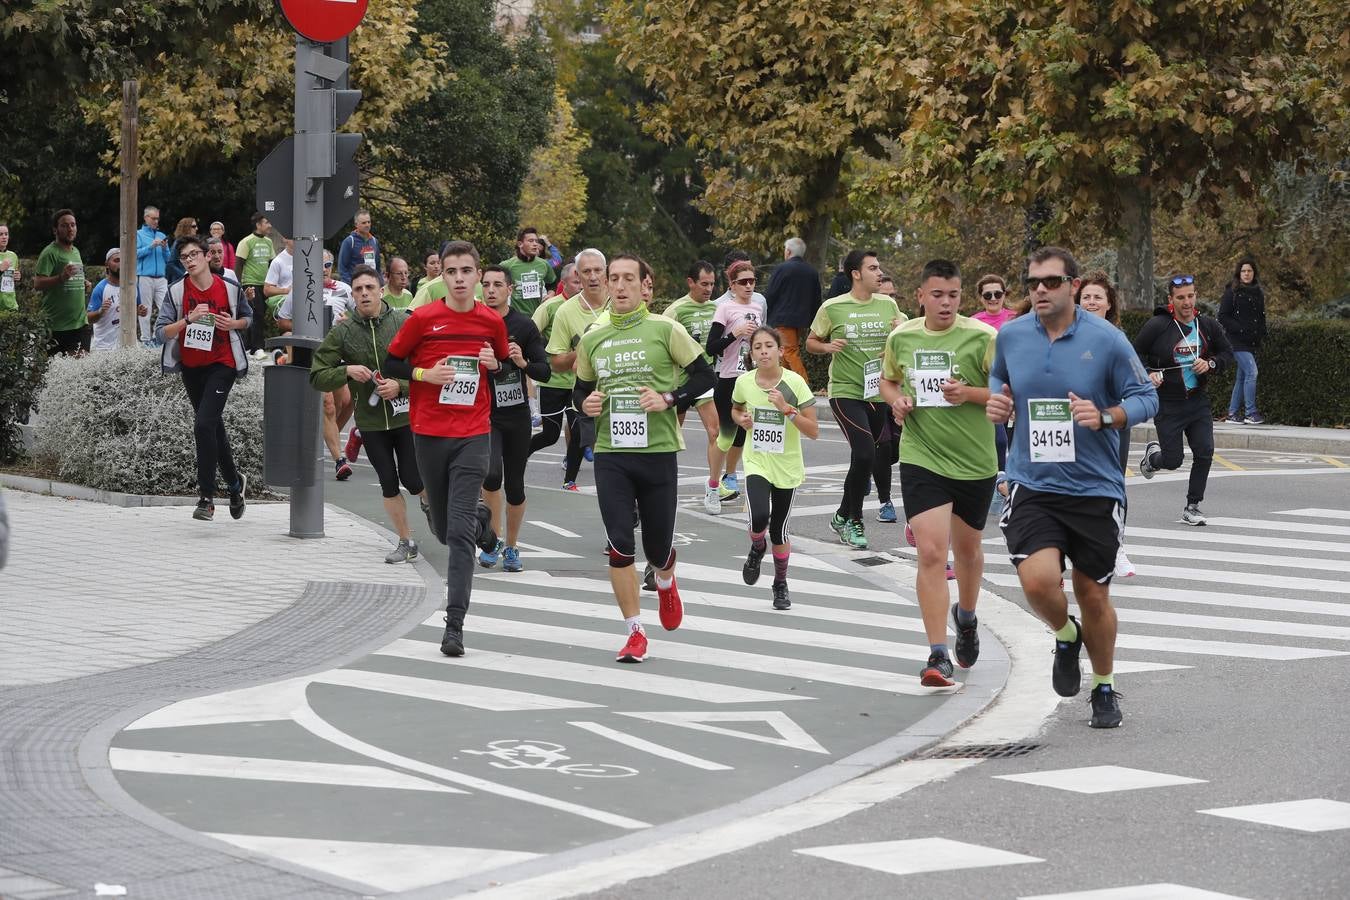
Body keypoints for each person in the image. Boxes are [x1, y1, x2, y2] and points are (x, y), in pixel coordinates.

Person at [987, 246, 1157, 728]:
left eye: (1051, 282)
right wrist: (999, 405)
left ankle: (1103, 686)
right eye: (1033, 282)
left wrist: (1107, 416)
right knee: (1038, 581)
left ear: (1073, 286)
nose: (1039, 289)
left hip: (1094, 488)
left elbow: (1146, 398)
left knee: (1092, 592)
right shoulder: (1013, 336)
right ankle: (1065, 635)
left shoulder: (1107, 340)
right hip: (1032, 481)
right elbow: (1001, 380)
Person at [573, 253, 715, 663]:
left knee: (656, 548)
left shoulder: (665, 330)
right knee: (619, 543)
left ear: (643, 286)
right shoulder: (593, 338)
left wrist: (668, 398)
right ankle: (634, 631)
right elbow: (579, 392)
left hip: (657, 452)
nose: (618, 286)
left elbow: (703, 376)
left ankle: (666, 580)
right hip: (612, 453)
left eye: (627, 279)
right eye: (613, 278)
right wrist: (588, 404)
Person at [383, 240, 505, 658]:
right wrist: (425, 374)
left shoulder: (491, 321)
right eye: (451, 272)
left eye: (466, 271)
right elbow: (393, 361)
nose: (458, 279)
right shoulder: (423, 318)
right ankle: (484, 525)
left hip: (473, 433)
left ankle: (454, 625)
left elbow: (501, 361)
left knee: (455, 536)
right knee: (441, 527)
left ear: (476, 275)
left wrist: (495, 366)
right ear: (442, 276)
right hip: (429, 433)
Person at [879, 259, 997, 687]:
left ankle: (966, 618)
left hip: (974, 461)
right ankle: (937, 654)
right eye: (937, 295)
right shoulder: (902, 336)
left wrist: (968, 393)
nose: (945, 303)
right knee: (931, 552)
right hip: (921, 457)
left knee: (968, 552)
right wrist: (897, 401)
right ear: (921, 296)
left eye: (953, 295)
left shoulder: (984, 337)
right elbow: (888, 382)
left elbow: (1008, 390)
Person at [311, 265, 426, 563]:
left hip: (406, 418)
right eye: (358, 290)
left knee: (414, 480)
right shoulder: (344, 332)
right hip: (372, 423)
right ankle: (406, 541)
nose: (363, 294)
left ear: (380, 290)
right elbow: (317, 375)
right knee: (388, 480)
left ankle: (429, 504)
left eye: (369, 288)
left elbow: (426, 367)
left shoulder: (402, 322)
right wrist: (345, 370)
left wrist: (400, 386)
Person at [806, 248, 905, 550]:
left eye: (879, 267)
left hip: (878, 391)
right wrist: (827, 348)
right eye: (873, 268)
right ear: (856, 274)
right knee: (864, 454)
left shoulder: (888, 305)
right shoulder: (833, 307)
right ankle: (854, 521)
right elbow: (810, 343)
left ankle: (839, 514)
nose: (879, 273)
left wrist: (897, 336)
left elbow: (905, 335)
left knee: (870, 456)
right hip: (846, 391)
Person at [154, 234, 251, 522]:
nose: (189, 260)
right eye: (184, 257)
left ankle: (206, 498)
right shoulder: (176, 291)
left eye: (194, 254)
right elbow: (160, 332)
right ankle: (235, 486)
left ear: (207, 256)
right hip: (192, 367)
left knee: (203, 424)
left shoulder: (229, 288)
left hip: (223, 365)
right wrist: (188, 320)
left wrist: (233, 323)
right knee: (212, 428)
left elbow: (249, 319)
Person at [730, 326, 819, 609]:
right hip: (757, 460)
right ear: (752, 353)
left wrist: (788, 410)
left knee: (779, 530)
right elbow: (735, 408)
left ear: (780, 351)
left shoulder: (795, 384)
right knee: (759, 516)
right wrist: (740, 418)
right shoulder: (744, 382)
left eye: (769, 346)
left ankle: (780, 583)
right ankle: (757, 546)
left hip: (787, 465)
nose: (764, 351)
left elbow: (814, 430)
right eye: (758, 347)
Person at [1135, 274, 1233, 526]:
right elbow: (1134, 354)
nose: (1187, 302)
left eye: (1191, 296)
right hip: (1168, 403)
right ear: (1171, 300)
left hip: (1197, 401)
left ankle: (1192, 506)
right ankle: (1153, 458)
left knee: (1205, 452)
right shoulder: (1158, 325)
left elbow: (1226, 354)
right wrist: (1149, 373)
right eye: (1181, 298)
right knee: (1173, 460)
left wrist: (1210, 363)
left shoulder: (1207, 326)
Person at [478, 265, 551, 572]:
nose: (491, 289)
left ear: (510, 289)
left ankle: (512, 547)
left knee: (516, 485)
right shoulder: (473, 322)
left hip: (517, 415)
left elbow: (544, 371)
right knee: (492, 475)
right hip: (486, 414)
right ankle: (492, 540)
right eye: (486, 284)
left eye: (498, 284)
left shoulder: (524, 325)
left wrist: (521, 361)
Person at [1076, 272, 1136, 577]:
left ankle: (1117, 548)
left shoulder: (1117, 340)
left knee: (1113, 482)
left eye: (1097, 297)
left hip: (1111, 422)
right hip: (1072, 422)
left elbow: (1136, 389)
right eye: (1086, 296)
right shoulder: (1065, 336)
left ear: (1109, 303)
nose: (1091, 302)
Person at [703, 260, 767, 511]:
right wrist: (735, 333)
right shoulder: (725, 309)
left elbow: (760, 345)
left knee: (749, 434)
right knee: (726, 436)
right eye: (743, 282)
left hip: (752, 377)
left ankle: (747, 488)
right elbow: (711, 348)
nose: (749, 286)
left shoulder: (758, 308)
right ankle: (712, 485)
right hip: (729, 378)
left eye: (752, 281)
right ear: (733, 285)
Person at [543, 248, 610, 481]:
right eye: (586, 271)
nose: (592, 276)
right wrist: (580, 351)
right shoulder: (565, 312)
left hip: (624, 393)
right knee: (588, 444)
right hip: (589, 394)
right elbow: (556, 363)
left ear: (606, 273)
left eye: (597, 270)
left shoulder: (622, 301)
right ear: (577, 277)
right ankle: (570, 479)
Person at [663, 261, 724, 512]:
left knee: (715, 432)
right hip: (679, 381)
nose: (709, 289)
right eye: (704, 284)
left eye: (712, 284)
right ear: (691, 282)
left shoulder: (716, 308)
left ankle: (712, 488)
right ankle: (661, 485)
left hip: (704, 379)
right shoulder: (675, 310)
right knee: (670, 438)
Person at [529, 274, 586, 491]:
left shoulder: (592, 309)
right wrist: (541, 354)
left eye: (581, 282)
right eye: (575, 281)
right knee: (550, 436)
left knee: (579, 432)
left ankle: (570, 480)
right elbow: (531, 331)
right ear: (563, 283)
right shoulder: (552, 307)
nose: (580, 285)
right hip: (553, 381)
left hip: (578, 384)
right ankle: (517, 456)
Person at [33, 209, 92, 356]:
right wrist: (60, 278)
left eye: (73, 225)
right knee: (56, 373)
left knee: (81, 368)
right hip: (56, 326)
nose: (70, 229)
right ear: (56, 230)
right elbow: (38, 283)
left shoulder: (76, 251)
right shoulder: (50, 253)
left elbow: (72, 276)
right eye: (65, 225)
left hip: (79, 323)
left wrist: (83, 282)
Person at [762, 237, 823, 381]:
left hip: (782, 318)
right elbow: (816, 298)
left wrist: (765, 314)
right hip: (802, 320)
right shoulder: (811, 272)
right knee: (785, 352)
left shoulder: (782, 269)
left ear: (788, 251)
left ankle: (803, 385)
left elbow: (771, 294)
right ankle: (786, 384)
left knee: (789, 351)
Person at [1218, 257, 1267, 424]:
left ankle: (1232, 413)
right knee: (1252, 372)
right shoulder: (1231, 291)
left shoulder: (1258, 292)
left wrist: (1261, 333)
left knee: (1242, 376)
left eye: (1249, 271)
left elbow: (1260, 317)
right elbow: (1222, 316)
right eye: (1243, 271)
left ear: (1254, 273)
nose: (1246, 274)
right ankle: (1250, 412)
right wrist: (1239, 328)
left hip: (1251, 341)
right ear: (1239, 273)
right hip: (1235, 341)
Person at [86, 248, 147, 351]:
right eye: (116, 260)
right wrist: (100, 312)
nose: (120, 264)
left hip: (129, 345)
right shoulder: (101, 288)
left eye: (123, 261)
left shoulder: (133, 286)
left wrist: (141, 311)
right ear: (107, 264)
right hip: (104, 348)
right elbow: (88, 318)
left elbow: (137, 309)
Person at [235, 213, 276, 357]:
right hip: (249, 283)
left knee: (261, 314)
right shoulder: (246, 242)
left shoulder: (269, 242)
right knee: (255, 314)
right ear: (258, 224)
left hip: (265, 284)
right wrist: (238, 285)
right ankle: (257, 347)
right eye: (267, 222)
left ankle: (248, 346)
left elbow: (272, 263)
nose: (270, 225)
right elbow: (239, 264)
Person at [499, 227, 558, 319]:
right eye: (531, 241)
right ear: (520, 244)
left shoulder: (544, 264)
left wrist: (551, 294)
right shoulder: (507, 265)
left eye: (536, 241)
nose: (535, 244)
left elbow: (552, 283)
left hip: (538, 316)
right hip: (515, 317)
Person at [136, 206, 171, 341]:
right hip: (145, 276)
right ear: (146, 218)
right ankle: (145, 338)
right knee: (145, 309)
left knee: (166, 308)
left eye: (157, 218)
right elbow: (135, 254)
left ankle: (157, 335)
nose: (156, 221)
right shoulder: (138, 234)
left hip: (161, 277)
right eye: (153, 218)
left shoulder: (161, 235)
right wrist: (150, 247)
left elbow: (168, 259)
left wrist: (164, 248)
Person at [337, 210, 382, 285]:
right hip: (355, 286)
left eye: (369, 222)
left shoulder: (374, 241)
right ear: (356, 224)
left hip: (371, 285)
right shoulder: (349, 242)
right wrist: (352, 285)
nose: (367, 225)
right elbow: (342, 268)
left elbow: (377, 267)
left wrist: (380, 284)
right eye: (364, 223)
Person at [263, 236, 295, 319]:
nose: (297, 239)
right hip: (286, 310)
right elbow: (267, 290)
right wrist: (287, 290)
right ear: (285, 239)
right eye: (293, 237)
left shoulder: (308, 257)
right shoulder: (278, 261)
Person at [164, 217, 199, 284]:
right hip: (180, 281)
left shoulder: (192, 242)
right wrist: (184, 275)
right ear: (186, 228)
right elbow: (170, 263)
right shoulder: (178, 242)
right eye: (194, 226)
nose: (196, 229)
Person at [0, 223, 21, 312]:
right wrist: (0, 269)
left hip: (11, 306)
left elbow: (11, 281)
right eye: (0, 234)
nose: (4, 237)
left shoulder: (13, 256)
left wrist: (17, 277)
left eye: (6, 234)